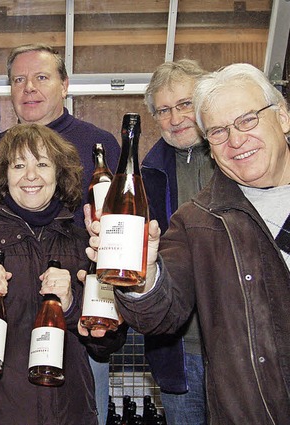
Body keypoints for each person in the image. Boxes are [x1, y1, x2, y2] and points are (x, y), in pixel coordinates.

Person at [85, 63, 290, 423]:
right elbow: (163, 303)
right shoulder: (189, 213)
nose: (236, 140)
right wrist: (143, 278)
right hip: (199, 361)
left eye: (247, 120)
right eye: (219, 131)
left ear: (283, 117)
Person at [0, 123, 127, 424]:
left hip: (70, 414)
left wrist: (73, 304)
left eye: (42, 164)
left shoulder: (84, 244)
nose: (30, 175)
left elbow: (108, 342)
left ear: (59, 175)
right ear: (3, 176)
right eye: (19, 165)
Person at [0, 43, 121, 424]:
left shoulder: (99, 145)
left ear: (65, 84)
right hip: (13, 310)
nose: (29, 88)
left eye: (41, 77)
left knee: (82, 407)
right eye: (18, 80)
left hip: (80, 312)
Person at [140, 59, 213, 424]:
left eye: (185, 104)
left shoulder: (239, 158)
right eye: (164, 110)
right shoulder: (148, 175)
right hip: (179, 347)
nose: (175, 118)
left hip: (240, 343)